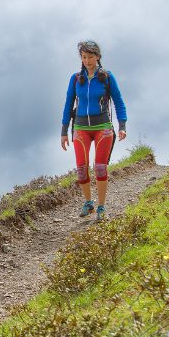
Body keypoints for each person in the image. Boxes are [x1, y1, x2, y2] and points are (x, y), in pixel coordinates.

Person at [60, 40, 127, 221]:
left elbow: (119, 102)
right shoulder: (75, 79)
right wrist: (64, 131)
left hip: (103, 127)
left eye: (90, 57)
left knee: (99, 167)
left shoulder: (107, 77)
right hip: (80, 127)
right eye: (84, 57)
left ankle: (101, 206)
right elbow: (68, 104)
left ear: (98, 57)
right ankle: (88, 203)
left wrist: (122, 126)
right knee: (81, 168)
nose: (87, 61)